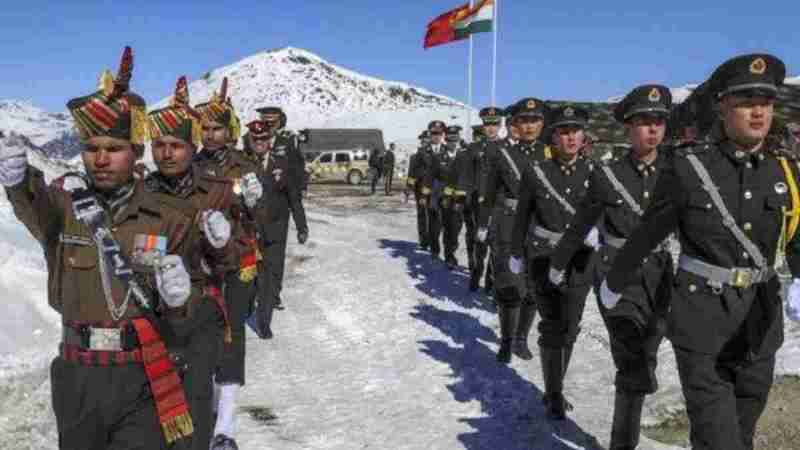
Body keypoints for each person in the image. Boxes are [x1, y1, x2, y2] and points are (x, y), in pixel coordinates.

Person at [0, 47, 197, 449]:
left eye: (114, 148)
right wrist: (17, 181)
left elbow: (186, 314)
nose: (102, 159)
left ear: (136, 152)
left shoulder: (169, 217)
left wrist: (180, 299)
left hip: (142, 372)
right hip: (77, 375)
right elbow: (32, 202)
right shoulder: (64, 208)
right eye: (92, 149)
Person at [601, 54, 800, 450]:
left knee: (741, 433)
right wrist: (614, 281)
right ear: (723, 106)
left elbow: (795, 239)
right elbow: (647, 233)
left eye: (766, 100)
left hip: (760, 322)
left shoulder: (785, 170)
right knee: (717, 438)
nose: (758, 110)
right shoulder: (689, 168)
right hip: (702, 321)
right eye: (745, 100)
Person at [548, 85, 674, 447]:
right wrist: (558, 264)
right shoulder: (608, 174)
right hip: (617, 277)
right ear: (628, 128)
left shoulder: (679, 171)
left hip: (662, 275)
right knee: (631, 362)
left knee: (647, 353)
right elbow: (581, 224)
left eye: (659, 121)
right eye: (644, 122)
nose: (652, 129)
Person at [146, 75, 245, 450]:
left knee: (197, 397)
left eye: (175, 145)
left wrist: (221, 245)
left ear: (192, 146)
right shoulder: (143, 193)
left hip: (201, 309)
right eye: (159, 145)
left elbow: (232, 259)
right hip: (154, 311)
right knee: (155, 404)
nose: (166, 153)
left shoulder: (216, 192)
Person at [509, 105, 597, 419]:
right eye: (563, 131)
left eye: (575, 130)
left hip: (581, 261)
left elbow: (608, 214)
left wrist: (597, 233)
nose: (570, 137)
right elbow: (522, 217)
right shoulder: (537, 172)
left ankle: (556, 383)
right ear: (553, 136)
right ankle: (553, 393)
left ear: (583, 135)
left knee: (571, 327)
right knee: (552, 326)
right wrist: (516, 253)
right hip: (544, 258)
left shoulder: (595, 171)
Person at [194, 77, 263, 450]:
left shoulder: (245, 165)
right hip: (201, 263)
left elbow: (261, 217)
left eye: (217, 128)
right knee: (201, 333)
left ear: (230, 131)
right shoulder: (191, 164)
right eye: (204, 127)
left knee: (232, 334)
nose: (209, 134)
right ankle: (202, 408)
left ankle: (226, 424)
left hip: (237, 262)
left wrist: (255, 203)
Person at [478, 98, 550, 363]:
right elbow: (488, 194)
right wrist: (484, 224)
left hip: (540, 226)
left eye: (535, 121)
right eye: (524, 121)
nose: (530, 126)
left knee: (533, 289)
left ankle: (521, 338)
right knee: (510, 286)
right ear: (516, 124)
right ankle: (507, 340)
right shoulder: (502, 153)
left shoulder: (549, 153)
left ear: (542, 124)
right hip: (508, 225)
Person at [243, 118, 307, 334]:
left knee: (270, 275)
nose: (259, 142)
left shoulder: (282, 164)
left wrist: (301, 226)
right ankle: (250, 302)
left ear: (269, 140)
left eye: (263, 138)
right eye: (255, 139)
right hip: (250, 229)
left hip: (276, 229)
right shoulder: (241, 165)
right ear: (250, 140)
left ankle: (264, 321)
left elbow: (293, 198)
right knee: (250, 275)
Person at [253, 106, 309, 308]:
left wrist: (300, 193)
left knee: (275, 259)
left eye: (272, 122)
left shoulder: (287, 143)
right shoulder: (250, 140)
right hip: (254, 211)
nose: (268, 125)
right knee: (255, 255)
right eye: (265, 121)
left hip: (280, 208)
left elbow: (298, 170)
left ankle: (273, 295)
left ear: (280, 122)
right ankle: (258, 292)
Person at [453, 107, 503, 291]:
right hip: (477, 204)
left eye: (494, 124)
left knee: (496, 244)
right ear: (483, 126)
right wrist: (459, 198)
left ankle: (491, 281)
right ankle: (475, 273)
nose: (490, 128)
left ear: (500, 125)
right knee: (478, 242)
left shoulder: (505, 147)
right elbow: (465, 175)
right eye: (487, 124)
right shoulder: (473, 148)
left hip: (498, 204)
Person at [408, 121, 447, 260]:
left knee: (439, 219)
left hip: (441, 190)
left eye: (439, 133)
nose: (436, 136)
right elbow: (413, 170)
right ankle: (427, 242)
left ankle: (434, 241)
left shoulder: (447, 150)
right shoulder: (422, 152)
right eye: (433, 133)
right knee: (425, 216)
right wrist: (410, 186)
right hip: (424, 188)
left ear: (443, 134)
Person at [439, 125, 465, 269]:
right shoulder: (439, 157)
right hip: (445, 199)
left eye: (455, 140)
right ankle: (449, 255)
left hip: (460, 199)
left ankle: (451, 249)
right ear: (445, 140)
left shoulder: (464, 156)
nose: (452, 143)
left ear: (458, 140)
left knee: (456, 228)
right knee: (448, 227)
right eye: (449, 139)